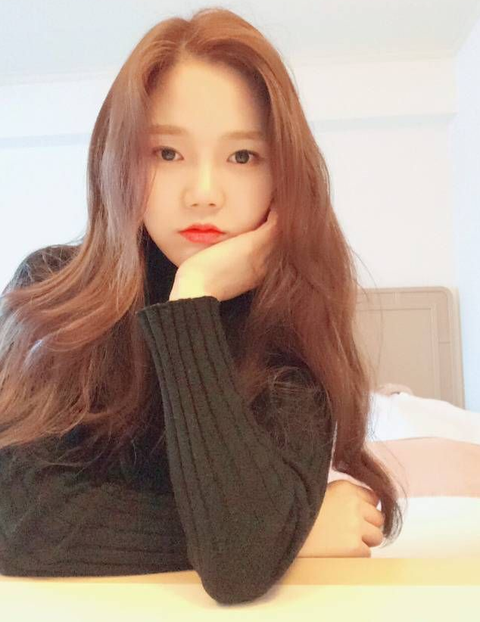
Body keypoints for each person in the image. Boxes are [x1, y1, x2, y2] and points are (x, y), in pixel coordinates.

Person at [0, 7, 405, 605]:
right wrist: (289, 531)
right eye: (167, 153)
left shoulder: (291, 321)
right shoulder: (54, 289)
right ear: (119, 160)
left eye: (243, 156)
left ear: (283, 175)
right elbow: (19, 522)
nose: (204, 193)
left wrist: (193, 298)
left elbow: (237, 568)